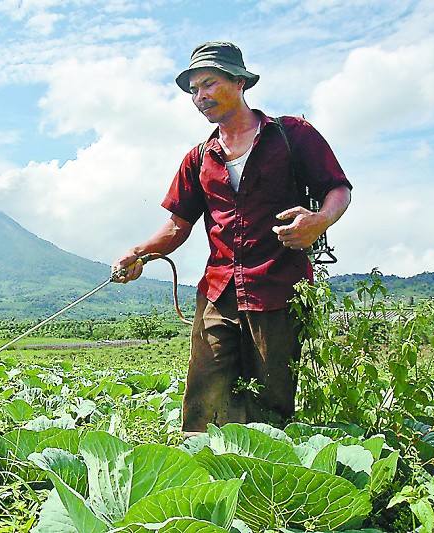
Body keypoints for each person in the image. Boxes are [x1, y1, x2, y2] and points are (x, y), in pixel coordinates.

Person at [112, 41, 352, 433]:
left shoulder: (291, 135)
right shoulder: (199, 158)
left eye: (209, 84)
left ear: (239, 82)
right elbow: (177, 226)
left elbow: (338, 189)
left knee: (270, 400)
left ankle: (264, 482)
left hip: (279, 287)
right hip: (219, 289)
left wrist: (319, 220)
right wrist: (138, 253)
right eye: (193, 90)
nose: (200, 96)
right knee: (204, 394)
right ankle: (200, 477)